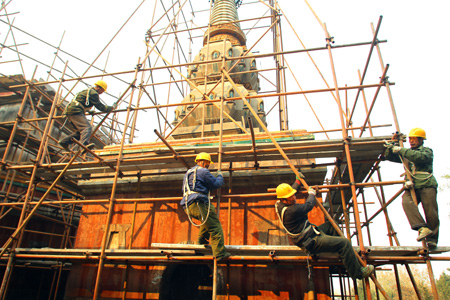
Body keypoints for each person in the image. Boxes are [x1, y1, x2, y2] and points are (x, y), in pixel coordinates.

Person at [275, 182, 374, 280]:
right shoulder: (292, 210)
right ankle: (358, 273)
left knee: (332, 225)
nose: (294, 198)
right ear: (284, 200)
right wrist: (312, 194)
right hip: (311, 241)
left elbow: (291, 192)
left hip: (311, 232)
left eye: (293, 195)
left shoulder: (280, 204)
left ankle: (347, 261)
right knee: (345, 243)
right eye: (291, 197)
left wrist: (297, 182)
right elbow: (309, 205)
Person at [384, 128, 439, 249]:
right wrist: (392, 144)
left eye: (414, 139)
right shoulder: (406, 153)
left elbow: (419, 157)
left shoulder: (426, 151)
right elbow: (389, 156)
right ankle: (421, 227)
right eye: (410, 139)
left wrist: (401, 149)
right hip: (412, 184)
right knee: (406, 202)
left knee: (431, 212)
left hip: (426, 183)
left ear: (421, 140)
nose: (411, 141)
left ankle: (432, 240)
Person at [180, 152, 231, 261]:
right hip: (198, 203)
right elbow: (216, 184)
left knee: (207, 219)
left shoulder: (188, 172)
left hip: (187, 204)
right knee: (215, 226)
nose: (208, 165)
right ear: (203, 162)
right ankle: (220, 254)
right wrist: (220, 176)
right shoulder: (203, 171)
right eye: (208, 163)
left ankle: (202, 242)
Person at [58, 80, 113, 152]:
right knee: (87, 128)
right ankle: (83, 146)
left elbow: (81, 102)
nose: (102, 93)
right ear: (99, 87)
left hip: (71, 111)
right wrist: (111, 108)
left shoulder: (87, 91)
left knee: (79, 133)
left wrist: (89, 111)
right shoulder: (94, 93)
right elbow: (101, 107)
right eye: (102, 90)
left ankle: (64, 142)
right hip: (75, 111)